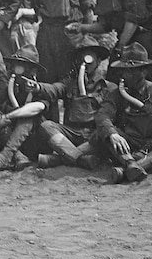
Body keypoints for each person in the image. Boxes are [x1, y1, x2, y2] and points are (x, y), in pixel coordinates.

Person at [90, 43, 152, 183]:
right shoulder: (117, 94)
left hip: (151, 147)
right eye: (125, 70)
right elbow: (103, 114)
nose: (127, 74)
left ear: (144, 71)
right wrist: (113, 133)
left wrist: (144, 150)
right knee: (103, 133)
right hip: (126, 145)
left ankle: (130, 168)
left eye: (133, 70)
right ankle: (131, 165)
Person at [30, 0, 95, 120]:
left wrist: (85, 43)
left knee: (71, 86)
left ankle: (71, 131)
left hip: (71, 39)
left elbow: (88, 15)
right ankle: (50, 134)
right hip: (47, 38)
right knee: (46, 85)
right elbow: (36, 12)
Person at [31, 41, 112, 170]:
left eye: (89, 57)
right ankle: (81, 159)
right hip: (71, 133)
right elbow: (54, 89)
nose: (84, 62)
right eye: (81, 58)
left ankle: (59, 159)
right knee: (47, 126)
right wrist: (38, 87)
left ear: (98, 61)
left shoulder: (107, 87)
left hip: (93, 135)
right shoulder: (69, 84)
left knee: (107, 133)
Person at [0, 44, 48, 172]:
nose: (15, 70)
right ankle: (17, 156)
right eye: (15, 65)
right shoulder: (10, 89)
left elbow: (37, 108)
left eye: (21, 66)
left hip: (35, 144)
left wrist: (6, 117)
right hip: (12, 141)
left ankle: (6, 156)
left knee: (28, 116)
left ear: (33, 70)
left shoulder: (41, 90)